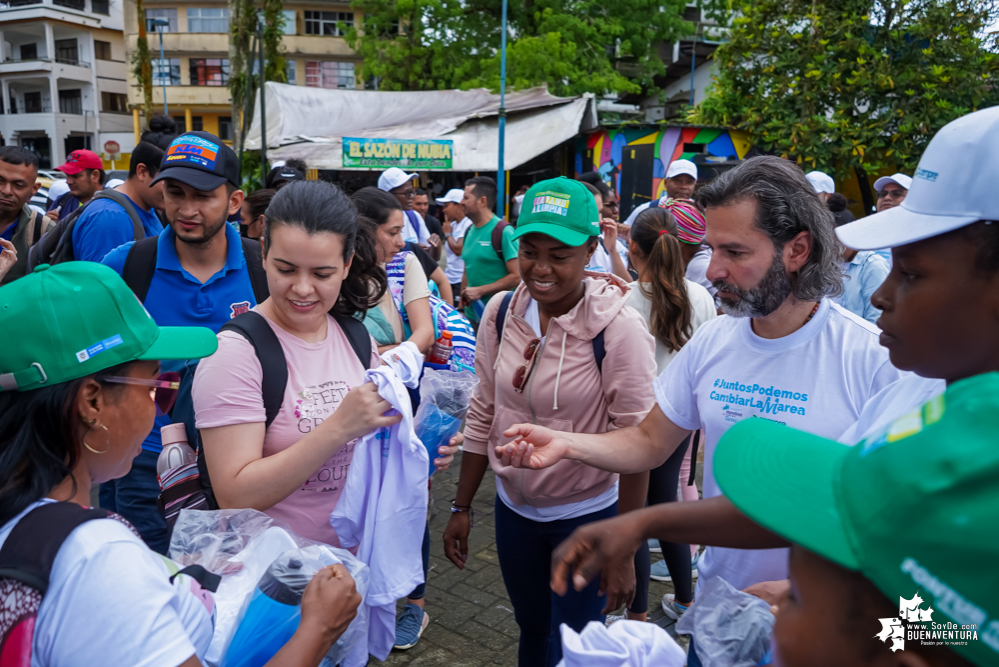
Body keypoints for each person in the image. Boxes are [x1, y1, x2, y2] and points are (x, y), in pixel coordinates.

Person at [547, 106, 999, 666]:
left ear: (796, 250)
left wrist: (854, 620)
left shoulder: (893, 372)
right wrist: (640, 519)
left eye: (911, 273)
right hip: (726, 627)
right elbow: (817, 505)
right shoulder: (928, 398)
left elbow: (963, 631)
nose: (881, 294)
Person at [495, 156, 904, 624]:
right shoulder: (714, 339)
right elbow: (649, 440)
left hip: (831, 632)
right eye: (711, 250)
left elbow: (907, 545)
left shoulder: (876, 362)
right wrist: (569, 443)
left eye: (735, 252)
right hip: (718, 619)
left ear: (797, 250)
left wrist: (825, 599)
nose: (711, 272)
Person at [0, 261, 363, 667]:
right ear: (92, 403)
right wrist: (319, 629)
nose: (162, 407)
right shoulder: (96, 558)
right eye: (158, 384)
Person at [443, 177, 657, 667]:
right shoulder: (500, 312)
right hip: (514, 511)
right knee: (532, 629)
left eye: (559, 255)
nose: (540, 269)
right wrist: (461, 506)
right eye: (530, 251)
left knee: (576, 643)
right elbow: (484, 408)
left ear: (589, 251)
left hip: (587, 514)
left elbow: (639, 440)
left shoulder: (618, 329)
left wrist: (623, 551)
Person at [99, 131, 257, 553]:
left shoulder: (264, 270)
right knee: (148, 576)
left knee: (227, 581)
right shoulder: (125, 266)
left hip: (238, 460)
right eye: (174, 192)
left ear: (235, 201)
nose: (186, 210)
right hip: (142, 460)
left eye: (203, 195)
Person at [611, 203, 717, 624]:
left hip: (637, 426)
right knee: (664, 503)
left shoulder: (623, 302)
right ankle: (687, 602)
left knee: (634, 515)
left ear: (632, 247)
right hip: (682, 423)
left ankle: (637, 616)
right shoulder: (702, 297)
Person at [352, 187, 435, 354]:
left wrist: (383, 355)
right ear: (364, 231)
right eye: (393, 232)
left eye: (400, 232)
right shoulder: (337, 271)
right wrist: (400, 350)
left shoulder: (404, 265)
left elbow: (425, 334)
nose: (401, 242)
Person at [70, 141, 166, 262]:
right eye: (166, 180)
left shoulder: (150, 208)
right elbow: (100, 279)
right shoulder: (109, 217)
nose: (171, 190)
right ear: (142, 172)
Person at [460, 176, 520, 323]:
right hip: (471, 316)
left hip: (498, 318)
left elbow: (517, 276)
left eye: (466, 198)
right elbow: (467, 270)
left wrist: (481, 291)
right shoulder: (469, 231)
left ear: (482, 201)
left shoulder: (504, 232)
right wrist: (461, 308)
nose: (461, 203)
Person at [0, 146, 49, 285]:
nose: (6, 191)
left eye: (18, 185)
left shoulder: (44, 230)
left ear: (34, 190)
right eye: (0, 180)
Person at [832, 208, 890, 326]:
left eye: (835, 240)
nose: (830, 246)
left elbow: (876, 320)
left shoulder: (874, 266)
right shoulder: (827, 265)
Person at [622, 159, 698, 227]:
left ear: (695, 185)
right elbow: (622, 236)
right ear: (666, 183)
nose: (683, 186)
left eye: (689, 182)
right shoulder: (646, 210)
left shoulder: (701, 213)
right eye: (677, 181)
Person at [580, 181, 630, 280]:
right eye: (594, 212)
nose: (599, 220)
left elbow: (626, 286)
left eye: (600, 212)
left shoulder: (601, 244)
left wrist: (612, 249)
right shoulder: (569, 248)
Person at [46, 149, 104, 223]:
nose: (68, 182)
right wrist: (47, 224)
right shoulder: (62, 201)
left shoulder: (113, 206)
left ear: (95, 176)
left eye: (76, 176)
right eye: (67, 175)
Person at [437, 188, 473, 306]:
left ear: (458, 206)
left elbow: (459, 250)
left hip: (459, 281)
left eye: (447, 205)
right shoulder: (452, 225)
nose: (444, 210)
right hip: (450, 279)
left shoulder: (468, 224)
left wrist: (448, 234)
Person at [377, 167, 431, 246]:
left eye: (412, 192)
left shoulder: (414, 217)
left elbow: (429, 252)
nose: (411, 196)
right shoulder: (375, 222)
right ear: (389, 195)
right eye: (407, 193)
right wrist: (411, 248)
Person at [412, 188, 444, 261]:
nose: (423, 208)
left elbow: (437, 258)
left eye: (426, 204)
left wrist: (435, 246)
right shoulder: (403, 221)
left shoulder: (434, 223)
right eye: (418, 204)